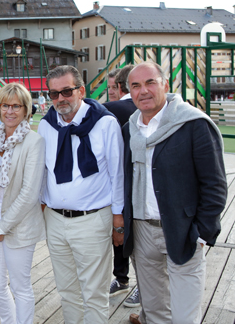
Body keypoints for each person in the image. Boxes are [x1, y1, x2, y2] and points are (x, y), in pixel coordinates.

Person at [123, 62, 227, 324]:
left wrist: (203, 233)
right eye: (136, 86)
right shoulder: (131, 128)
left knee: (184, 316)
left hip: (184, 229)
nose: (143, 91)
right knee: (155, 311)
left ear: (165, 85)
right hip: (142, 230)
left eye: (150, 83)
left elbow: (214, 184)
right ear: (129, 92)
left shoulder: (193, 124)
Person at [38, 65, 124, 324]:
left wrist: (118, 219)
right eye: (53, 94)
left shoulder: (105, 123)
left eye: (66, 91)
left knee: (95, 294)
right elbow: (43, 172)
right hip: (55, 220)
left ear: (81, 90)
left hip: (92, 219)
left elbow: (117, 174)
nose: (60, 99)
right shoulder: (46, 125)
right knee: (67, 291)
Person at [0, 83, 46, 324]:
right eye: (5, 105)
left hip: (19, 225)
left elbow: (29, 193)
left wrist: (2, 227)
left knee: (21, 286)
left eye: (16, 106)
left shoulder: (33, 142)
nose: (10, 111)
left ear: (26, 110)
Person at [103, 65, 139, 304]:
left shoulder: (108, 109)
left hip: (119, 184)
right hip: (144, 184)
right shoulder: (160, 108)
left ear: (118, 86)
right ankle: (134, 283)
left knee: (121, 231)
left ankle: (125, 279)